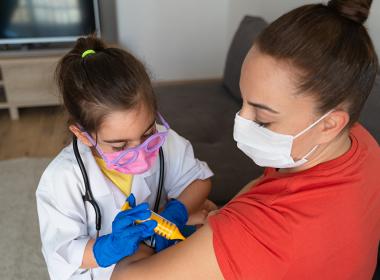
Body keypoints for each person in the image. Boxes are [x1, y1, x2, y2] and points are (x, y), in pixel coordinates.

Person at [110, 0, 380, 279]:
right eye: (243, 102)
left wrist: (143, 233)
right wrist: (230, 216)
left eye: (263, 118)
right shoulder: (363, 144)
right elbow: (269, 185)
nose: (241, 122)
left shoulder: (266, 229)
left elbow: (126, 277)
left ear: (330, 124)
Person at [36, 36, 214, 279]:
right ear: (83, 134)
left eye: (147, 133)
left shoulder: (165, 140)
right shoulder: (62, 179)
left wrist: (177, 213)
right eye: (119, 146)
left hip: (155, 251)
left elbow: (199, 180)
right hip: (100, 270)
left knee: (211, 216)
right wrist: (108, 248)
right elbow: (63, 251)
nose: (140, 152)